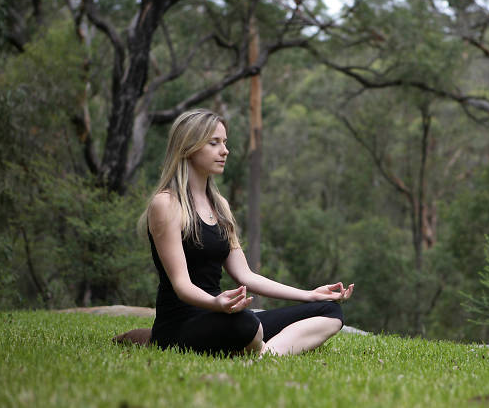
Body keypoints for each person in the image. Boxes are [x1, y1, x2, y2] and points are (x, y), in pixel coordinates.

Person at [114, 108, 354, 356]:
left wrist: (309, 295)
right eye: (214, 143)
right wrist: (215, 303)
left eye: (225, 143)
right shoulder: (166, 204)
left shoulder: (220, 206)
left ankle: (263, 356)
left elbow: (246, 275)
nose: (225, 151)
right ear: (189, 147)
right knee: (247, 324)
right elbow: (181, 285)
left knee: (330, 311)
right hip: (182, 323)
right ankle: (264, 349)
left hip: (223, 316)